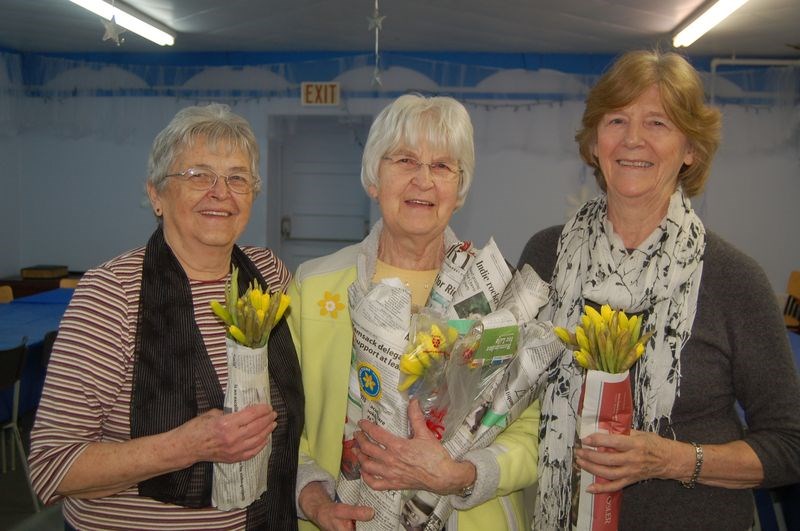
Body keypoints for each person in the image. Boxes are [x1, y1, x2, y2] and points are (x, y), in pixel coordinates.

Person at [518, 50, 800, 530]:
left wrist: (670, 459)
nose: (633, 139)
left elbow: (790, 446)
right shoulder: (545, 256)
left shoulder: (734, 279)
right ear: (593, 142)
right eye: (617, 120)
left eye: (657, 123)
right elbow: (509, 397)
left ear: (691, 149)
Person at [28, 103, 304, 530]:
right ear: (156, 195)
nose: (221, 192)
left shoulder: (269, 275)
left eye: (237, 177)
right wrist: (187, 445)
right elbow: (53, 467)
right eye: (197, 175)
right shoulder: (113, 293)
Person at [288, 94, 539, 531]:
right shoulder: (314, 287)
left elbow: (533, 431)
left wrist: (462, 475)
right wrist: (314, 500)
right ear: (373, 178)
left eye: (442, 166)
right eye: (405, 160)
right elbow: (285, 429)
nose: (423, 181)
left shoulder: (501, 292)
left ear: (458, 191)